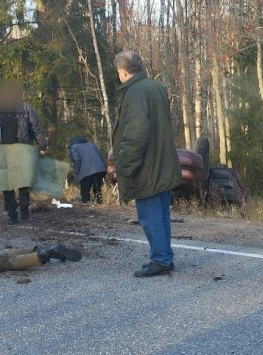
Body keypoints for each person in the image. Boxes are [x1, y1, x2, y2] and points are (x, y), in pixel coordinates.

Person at [112, 51, 182, 278]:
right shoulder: (155, 87)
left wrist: (124, 166)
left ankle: (160, 260)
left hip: (147, 167)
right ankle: (164, 257)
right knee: (161, 215)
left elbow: (136, 135)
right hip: (163, 162)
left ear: (123, 71)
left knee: (150, 215)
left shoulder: (135, 93)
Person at [0, 99, 48, 224]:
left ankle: (24, 209)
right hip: (3, 151)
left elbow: (35, 128)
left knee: (23, 183)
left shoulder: (26, 108)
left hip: (22, 149)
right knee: (6, 184)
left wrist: (42, 146)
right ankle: (12, 214)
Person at [68, 136, 107, 204]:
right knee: (97, 190)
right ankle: (100, 204)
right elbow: (100, 157)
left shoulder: (73, 147)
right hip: (100, 170)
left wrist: (76, 172)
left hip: (87, 172)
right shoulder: (90, 144)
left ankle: (87, 207)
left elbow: (77, 160)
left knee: (85, 192)